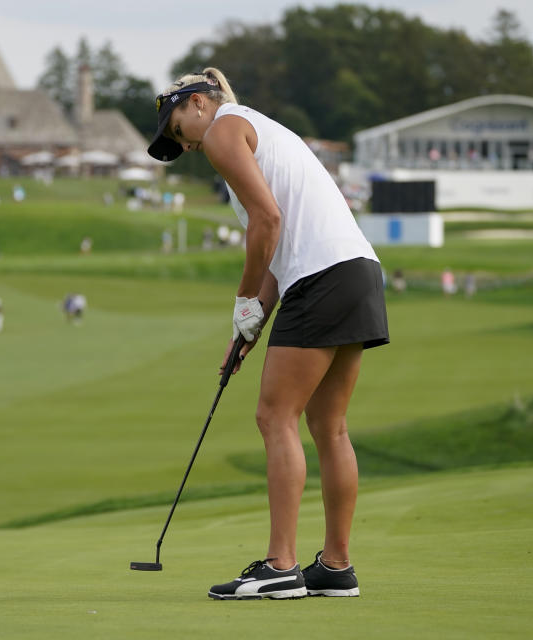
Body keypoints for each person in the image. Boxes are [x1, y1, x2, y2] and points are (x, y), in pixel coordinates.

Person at [147, 68, 388, 600]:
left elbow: (267, 221)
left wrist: (242, 298)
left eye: (176, 125)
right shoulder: (259, 128)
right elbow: (280, 242)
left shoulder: (223, 130)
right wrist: (253, 321)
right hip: (357, 272)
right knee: (331, 427)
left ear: (199, 102)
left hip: (321, 279)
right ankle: (336, 566)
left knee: (274, 416)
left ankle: (281, 565)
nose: (182, 142)